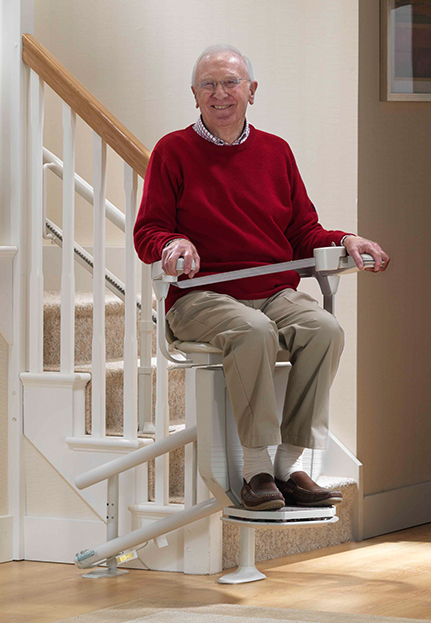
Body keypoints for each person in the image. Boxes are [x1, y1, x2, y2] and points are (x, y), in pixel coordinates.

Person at [133, 44, 390, 511]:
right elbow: (149, 231)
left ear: (252, 91)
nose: (220, 93)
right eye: (208, 84)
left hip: (271, 289)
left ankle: (288, 467)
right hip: (199, 295)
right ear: (194, 95)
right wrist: (173, 246)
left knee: (324, 328)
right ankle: (256, 470)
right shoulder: (172, 151)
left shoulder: (276, 152)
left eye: (231, 82)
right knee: (253, 332)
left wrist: (346, 239)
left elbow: (301, 232)